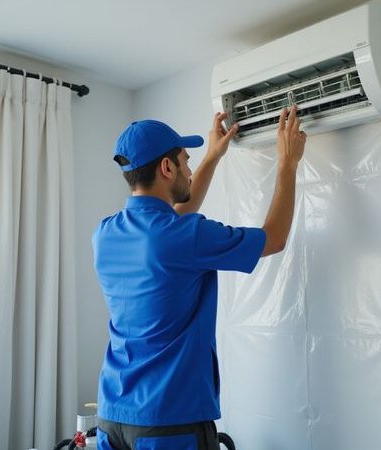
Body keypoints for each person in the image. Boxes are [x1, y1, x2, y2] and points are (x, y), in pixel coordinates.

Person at [93, 106, 306, 450]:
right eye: (185, 161)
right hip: (170, 423)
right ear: (167, 168)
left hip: (113, 418)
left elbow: (170, 223)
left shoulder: (105, 233)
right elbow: (275, 237)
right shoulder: (185, 237)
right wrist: (287, 164)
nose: (190, 170)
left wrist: (212, 156)